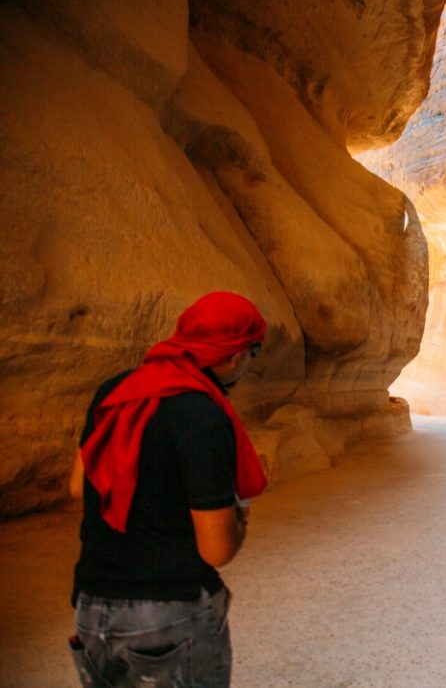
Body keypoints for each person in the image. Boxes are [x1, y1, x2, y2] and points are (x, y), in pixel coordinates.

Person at [67, 291, 269, 688]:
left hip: (92, 609)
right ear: (232, 356)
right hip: (168, 616)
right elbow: (217, 549)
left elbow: (79, 486)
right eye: (253, 352)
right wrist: (241, 514)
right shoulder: (202, 416)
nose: (250, 363)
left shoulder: (115, 391)